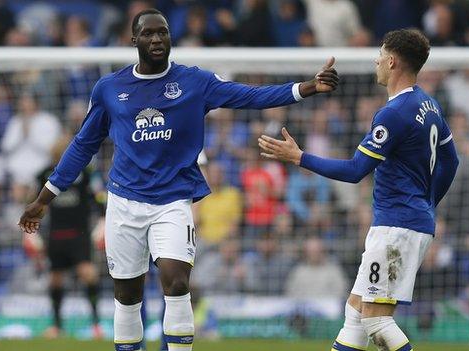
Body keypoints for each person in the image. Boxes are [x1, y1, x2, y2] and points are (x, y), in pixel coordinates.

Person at [18, 8, 338, 351]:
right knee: (127, 296)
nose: (157, 39)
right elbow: (83, 146)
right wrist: (43, 199)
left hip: (172, 201)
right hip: (124, 203)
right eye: (149, 33)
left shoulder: (194, 82)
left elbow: (248, 96)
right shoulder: (110, 89)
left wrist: (306, 88)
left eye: (163, 33)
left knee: (175, 281)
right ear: (134, 40)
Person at [258, 29, 459, 351]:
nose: (376, 60)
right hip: (407, 221)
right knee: (355, 312)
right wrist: (427, 203)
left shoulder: (394, 114)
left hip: (396, 227)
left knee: (376, 320)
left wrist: (299, 157)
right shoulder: (429, 104)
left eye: (380, 54)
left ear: (392, 61)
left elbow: (355, 171)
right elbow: (451, 160)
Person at [34, 136, 105, 339]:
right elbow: (35, 201)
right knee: (55, 280)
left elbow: (98, 197)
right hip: (55, 235)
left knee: (88, 274)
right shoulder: (43, 175)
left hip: (79, 235)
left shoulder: (86, 173)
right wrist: (33, 233)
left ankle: (96, 324)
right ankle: (57, 326)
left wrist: (102, 219)